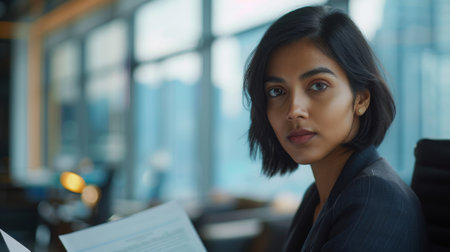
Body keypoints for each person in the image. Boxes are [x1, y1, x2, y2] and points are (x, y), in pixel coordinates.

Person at [243, 5, 429, 251]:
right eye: (277, 91)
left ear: (361, 99)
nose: (294, 110)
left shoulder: (376, 197)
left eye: (318, 86)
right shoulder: (319, 195)